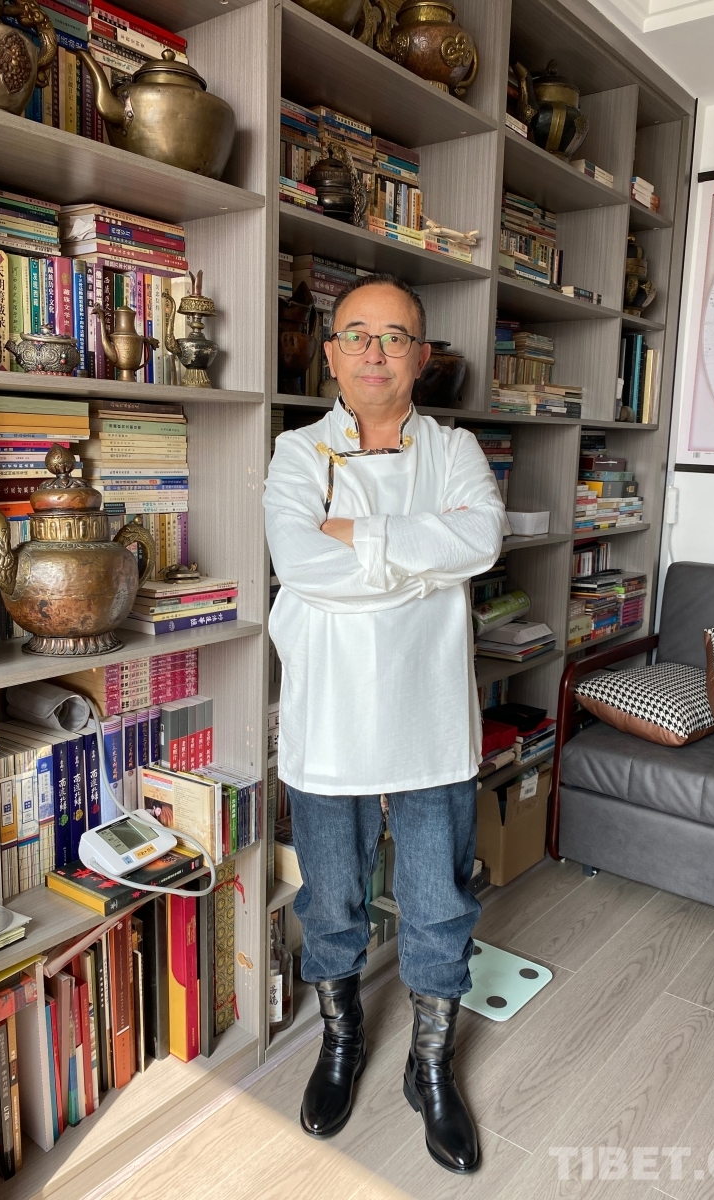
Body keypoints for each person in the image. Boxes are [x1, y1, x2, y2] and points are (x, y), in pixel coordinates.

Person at [263, 274, 506, 1174]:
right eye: (357, 335)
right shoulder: (296, 455)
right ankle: (342, 1040)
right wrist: (416, 560)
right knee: (331, 901)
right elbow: (298, 562)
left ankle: (430, 1064)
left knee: (441, 902)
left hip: (430, 718)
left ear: (421, 356)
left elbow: (479, 542)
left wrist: (356, 538)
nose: (375, 352)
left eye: (395, 336)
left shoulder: (455, 450)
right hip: (330, 719)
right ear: (331, 353)